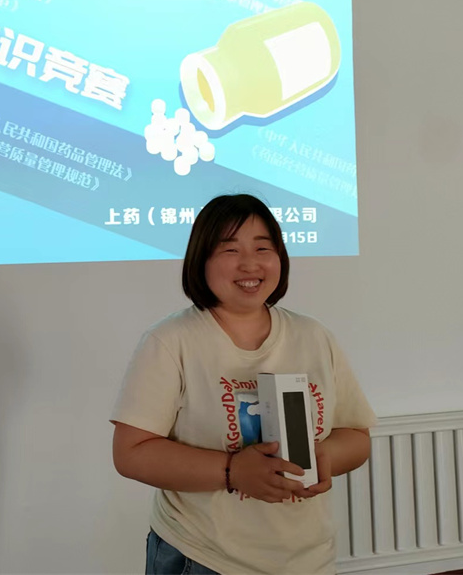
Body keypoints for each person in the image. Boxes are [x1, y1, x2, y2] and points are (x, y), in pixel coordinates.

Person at [111, 194, 376, 574]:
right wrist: (233, 471)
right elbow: (131, 453)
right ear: (201, 260)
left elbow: (356, 435)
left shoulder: (314, 336)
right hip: (203, 556)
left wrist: (325, 456)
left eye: (263, 248)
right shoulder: (170, 341)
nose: (250, 263)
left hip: (308, 558)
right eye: (230, 249)